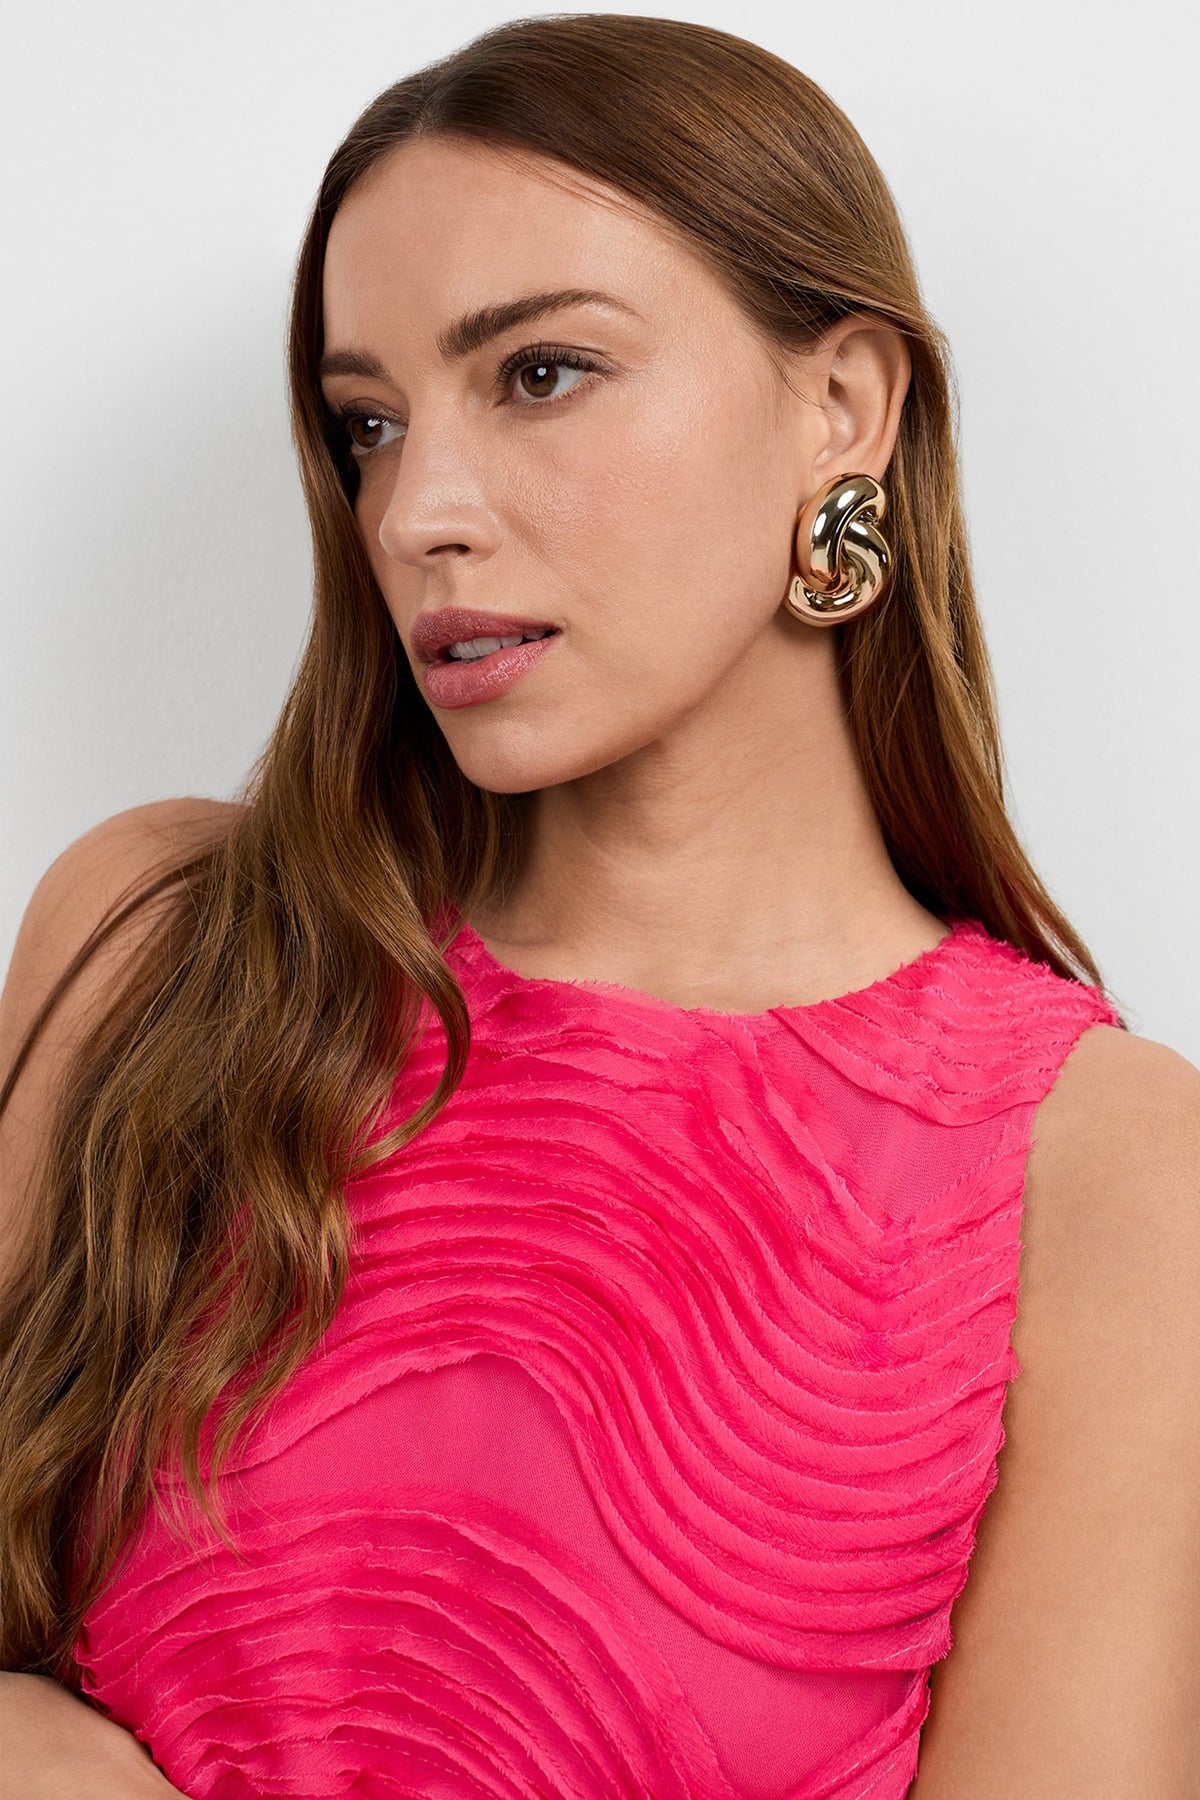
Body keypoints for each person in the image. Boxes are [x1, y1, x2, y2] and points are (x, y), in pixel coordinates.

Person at [1, 13, 1197, 1799]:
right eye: (368, 424)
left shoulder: (1108, 1174)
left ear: (843, 406)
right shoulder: (168, 944)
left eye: (541, 373)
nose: (418, 512)